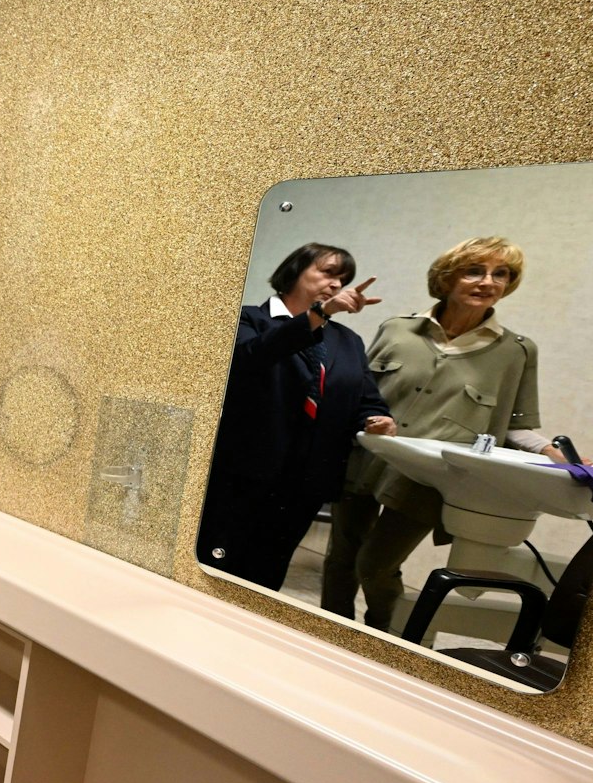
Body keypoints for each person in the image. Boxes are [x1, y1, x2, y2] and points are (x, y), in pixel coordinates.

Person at [320, 236, 573, 631]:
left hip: (431, 479)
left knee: (375, 565)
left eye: (501, 274)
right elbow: (358, 393)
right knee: (341, 558)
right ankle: (328, 631)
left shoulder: (518, 352)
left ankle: (381, 637)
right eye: (475, 270)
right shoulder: (397, 329)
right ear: (447, 277)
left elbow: (516, 425)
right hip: (363, 461)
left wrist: (552, 451)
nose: (488, 281)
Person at [198, 243, 396, 590]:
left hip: (307, 481)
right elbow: (250, 357)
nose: (336, 284)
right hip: (242, 472)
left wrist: (377, 418)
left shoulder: (348, 341)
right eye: (328, 272)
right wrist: (317, 316)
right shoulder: (247, 319)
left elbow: (365, 397)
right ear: (294, 272)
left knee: (267, 574)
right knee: (216, 563)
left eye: (343, 278)